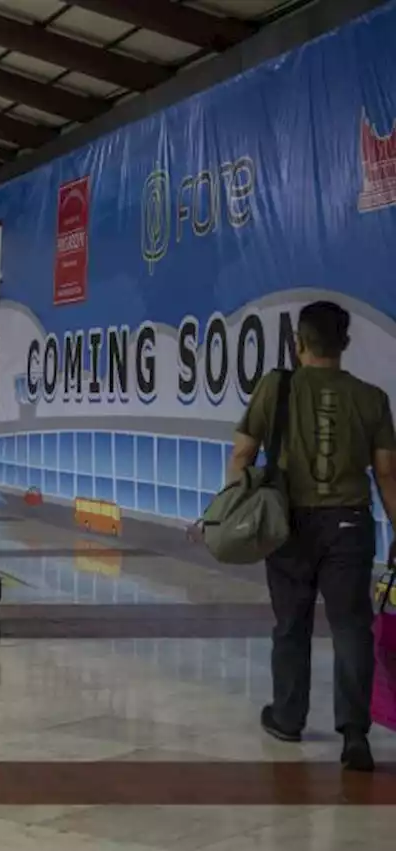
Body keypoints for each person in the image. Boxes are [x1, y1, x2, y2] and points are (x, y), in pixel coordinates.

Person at [229, 301, 395, 774]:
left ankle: (287, 717)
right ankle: (355, 736)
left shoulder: (275, 387)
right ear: (344, 345)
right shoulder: (372, 398)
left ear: (297, 342)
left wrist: (230, 512)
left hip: (289, 524)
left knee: (291, 623)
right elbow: (387, 473)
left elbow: (242, 455)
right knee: (350, 627)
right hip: (350, 525)